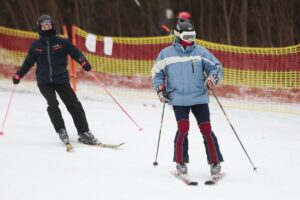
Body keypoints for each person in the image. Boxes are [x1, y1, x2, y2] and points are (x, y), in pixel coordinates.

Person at [12, 14, 99, 145]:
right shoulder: (36, 45)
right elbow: (28, 63)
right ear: (40, 27)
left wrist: (84, 63)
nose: (46, 27)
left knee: (74, 105)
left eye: (48, 24)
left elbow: (75, 53)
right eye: (43, 25)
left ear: (52, 25)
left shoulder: (62, 42)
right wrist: (18, 75)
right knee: (52, 104)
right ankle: (61, 130)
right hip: (44, 82)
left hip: (61, 80)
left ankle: (84, 132)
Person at [152, 22, 224, 177]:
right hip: (178, 98)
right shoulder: (166, 54)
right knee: (183, 128)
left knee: (206, 129)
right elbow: (157, 73)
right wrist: (160, 89)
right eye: (187, 37)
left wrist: (213, 78)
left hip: (199, 97)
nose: (190, 40)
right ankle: (180, 161)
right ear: (178, 36)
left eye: (193, 36)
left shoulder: (200, 52)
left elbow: (216, 67)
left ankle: (215, 162)